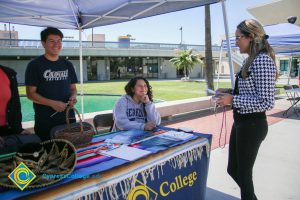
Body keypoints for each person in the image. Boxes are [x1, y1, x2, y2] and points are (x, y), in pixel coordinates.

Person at [216, 19, 277, 200]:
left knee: (243, 173)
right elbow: (248, 90)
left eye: (238, 37)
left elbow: (266, 102)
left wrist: (233, 100)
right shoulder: (249, 60)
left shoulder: (262, 60)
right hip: (242, 122)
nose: (236, 41)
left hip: (253, 124)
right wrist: (227, 92)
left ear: (251, 37)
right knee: (233, 169)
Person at [25, 27, 78, 141]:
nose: (56, 44)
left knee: (71, 151)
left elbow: (73, 88)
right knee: (49, 154)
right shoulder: (35, 65)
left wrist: (73, 97)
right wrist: (52, 103)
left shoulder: (67, 64)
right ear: (43, 43)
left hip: (69, 118)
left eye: (59, 41)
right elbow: (30, 94)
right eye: (52, 41)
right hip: (46, 121)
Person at [0, 64, 32, 154]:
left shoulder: (8, 73)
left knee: (12, 165)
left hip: (8, 131)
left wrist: (18, 129)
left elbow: (15, 104)